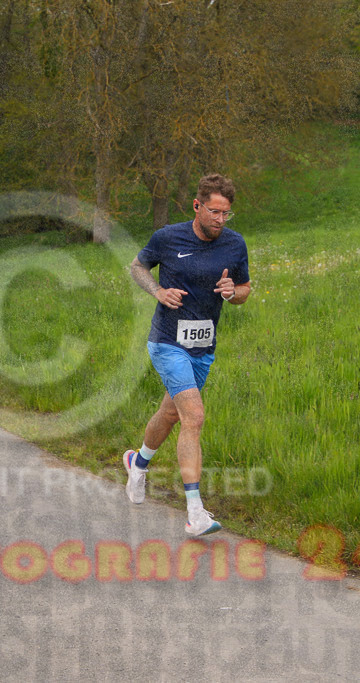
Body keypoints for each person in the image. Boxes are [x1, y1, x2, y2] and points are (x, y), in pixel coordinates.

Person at [122, 173, 251, 536]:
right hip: (166, 341)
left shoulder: (234, 244)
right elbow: (136, 266)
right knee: (193, 415)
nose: (220, 220)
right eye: (213, 212)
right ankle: (195, 512)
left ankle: (138, 463)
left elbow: (244, 289)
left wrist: (232, 291)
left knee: (171, 413)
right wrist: (159, 292)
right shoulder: (168, 237)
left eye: (226, 214)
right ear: (197, 206)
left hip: (203, 347)